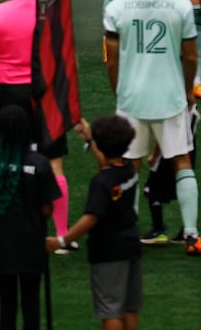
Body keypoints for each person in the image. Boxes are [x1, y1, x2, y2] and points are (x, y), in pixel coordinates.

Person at [101, 0, 201, 255]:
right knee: (181, 160)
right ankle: (191, 234)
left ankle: (128, 230)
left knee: (128, 164)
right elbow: (190, 55)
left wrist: (118, 89)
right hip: (170, 95)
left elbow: (111, 59)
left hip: (132, 95)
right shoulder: (180, 4)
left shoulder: (117, 7)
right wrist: (187, 90)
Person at [0, 0, 69, 244]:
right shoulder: (51, 15)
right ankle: (62, 235)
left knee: (7, 161)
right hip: (46, 93)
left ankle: (10, 227)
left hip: (11, 95)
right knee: (54, 163)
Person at [53, 114, 142, 330]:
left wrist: (63, 240)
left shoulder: (101, 182)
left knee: (110, 309)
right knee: (129, 308)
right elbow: (106, 162)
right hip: (131, 245)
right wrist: (90, 139)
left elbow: (91, 217)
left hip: (108, 252)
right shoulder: (129, 170)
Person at [0, 103, 57, 330]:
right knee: (32, 303)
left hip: (1, 242)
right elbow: (47, 208)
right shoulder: (39, 163)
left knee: (7, 304)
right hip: (32, 241)